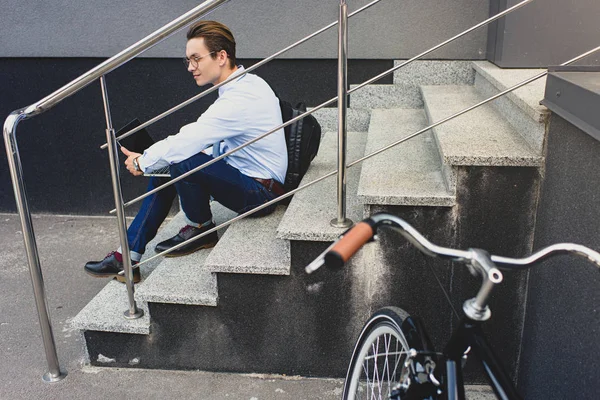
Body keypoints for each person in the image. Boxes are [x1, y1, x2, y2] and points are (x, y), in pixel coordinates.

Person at [84, 21, 287, 283]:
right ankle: (129, 256)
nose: (190, 67)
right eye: (188, 60)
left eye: (196, 58)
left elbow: (191, 138)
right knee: (171, 161)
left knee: (179, 158)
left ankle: (201, 229)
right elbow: (215, 142)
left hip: (261, 193)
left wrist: (144, 161)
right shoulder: (247, 84)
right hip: (246, 179)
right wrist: (156, 160)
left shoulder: (240, 98)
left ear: (221, 56)